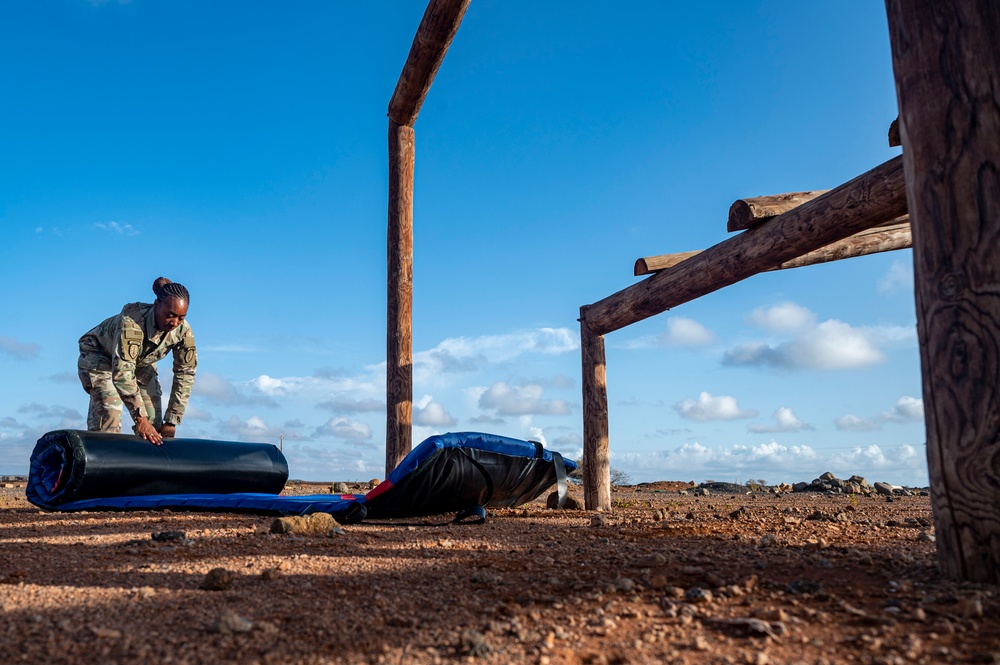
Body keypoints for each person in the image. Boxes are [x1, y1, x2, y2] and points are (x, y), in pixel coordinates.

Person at [77, 277, 197, 446]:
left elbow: (186, 373)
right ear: (156, 305)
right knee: (109, 414)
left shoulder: (183, 331)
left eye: (181, 317)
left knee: (154, 428)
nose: (174, 323)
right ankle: (102, 465)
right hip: (100, 354)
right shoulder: (131, 323)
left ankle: (145, 470)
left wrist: (172, 420)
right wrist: (140, 419)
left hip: (141, 363)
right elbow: (123, 373)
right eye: (170, 316)